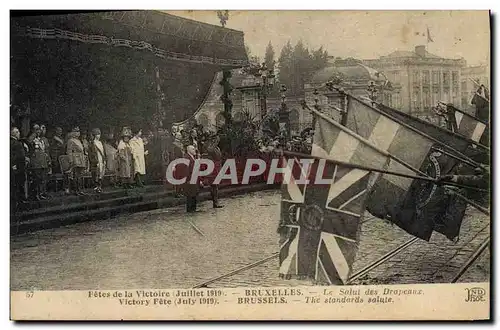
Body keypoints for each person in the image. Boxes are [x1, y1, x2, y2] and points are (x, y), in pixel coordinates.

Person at [28, 124, 50, 200]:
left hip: (43, 161)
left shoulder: (41, 139)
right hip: (36, 162)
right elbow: (29, 142)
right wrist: (34, 134)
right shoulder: (31, 138)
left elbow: (44, 150)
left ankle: (41, 193)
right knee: (36, 179)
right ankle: (35, 195)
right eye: (36, 129)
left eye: (38, 129)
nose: (38, 131)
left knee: (42, 179)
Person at [66, 126, 87, 196]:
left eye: (78, 131)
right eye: (76, 131)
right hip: (75, 158)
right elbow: (69, 151)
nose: (78, 133)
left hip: (81, 158)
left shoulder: (79, 140)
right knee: (76, 175)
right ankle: (75, 190)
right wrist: (71, 160)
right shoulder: (71, 140)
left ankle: (79, 189)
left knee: (80, 175)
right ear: (73, 132)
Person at [204, 134, 224, 208]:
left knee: (216, 186)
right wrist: (215, 143)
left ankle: (216, 202)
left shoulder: (217, 148)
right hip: (213, 168)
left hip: (217, 167)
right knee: (214, 185)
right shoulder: (210, 147)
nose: (218, 141)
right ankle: (215, 202)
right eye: (217, 140)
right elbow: (210, 150)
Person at [11, 127, 28, 209]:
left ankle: (20, 202)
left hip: (19, 166)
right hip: (18, 167)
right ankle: (20, 204)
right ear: (13, 133)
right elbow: (14, 156)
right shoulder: (14, 143)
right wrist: (14, 165)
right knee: (18, 184)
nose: (19, 133)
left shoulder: (17, 142)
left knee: (18, 184)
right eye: (17, 132)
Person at [183, 145, 203, 213]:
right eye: (193, 149)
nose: (195, 150)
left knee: (194, 193)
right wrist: (188, 179)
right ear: (189, 150)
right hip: (190, 178)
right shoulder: (186, 158)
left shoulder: (193, 157)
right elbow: (186, 170)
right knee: (190, 194)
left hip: (195, 178)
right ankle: (190, 209)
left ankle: (193, 209)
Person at [88, 128, 107, 193]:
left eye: (99, 134)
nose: (99, 135)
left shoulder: (100, 143)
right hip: (96, 160)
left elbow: (103, 152)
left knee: (101, 173)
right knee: (96, 173)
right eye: (97, 134)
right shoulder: (92, 143)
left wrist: (104, 159)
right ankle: (96, 186)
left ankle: (100, 186)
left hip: (101, 159)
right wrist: (94, 161)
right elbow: (90, 154)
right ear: (94, 135)